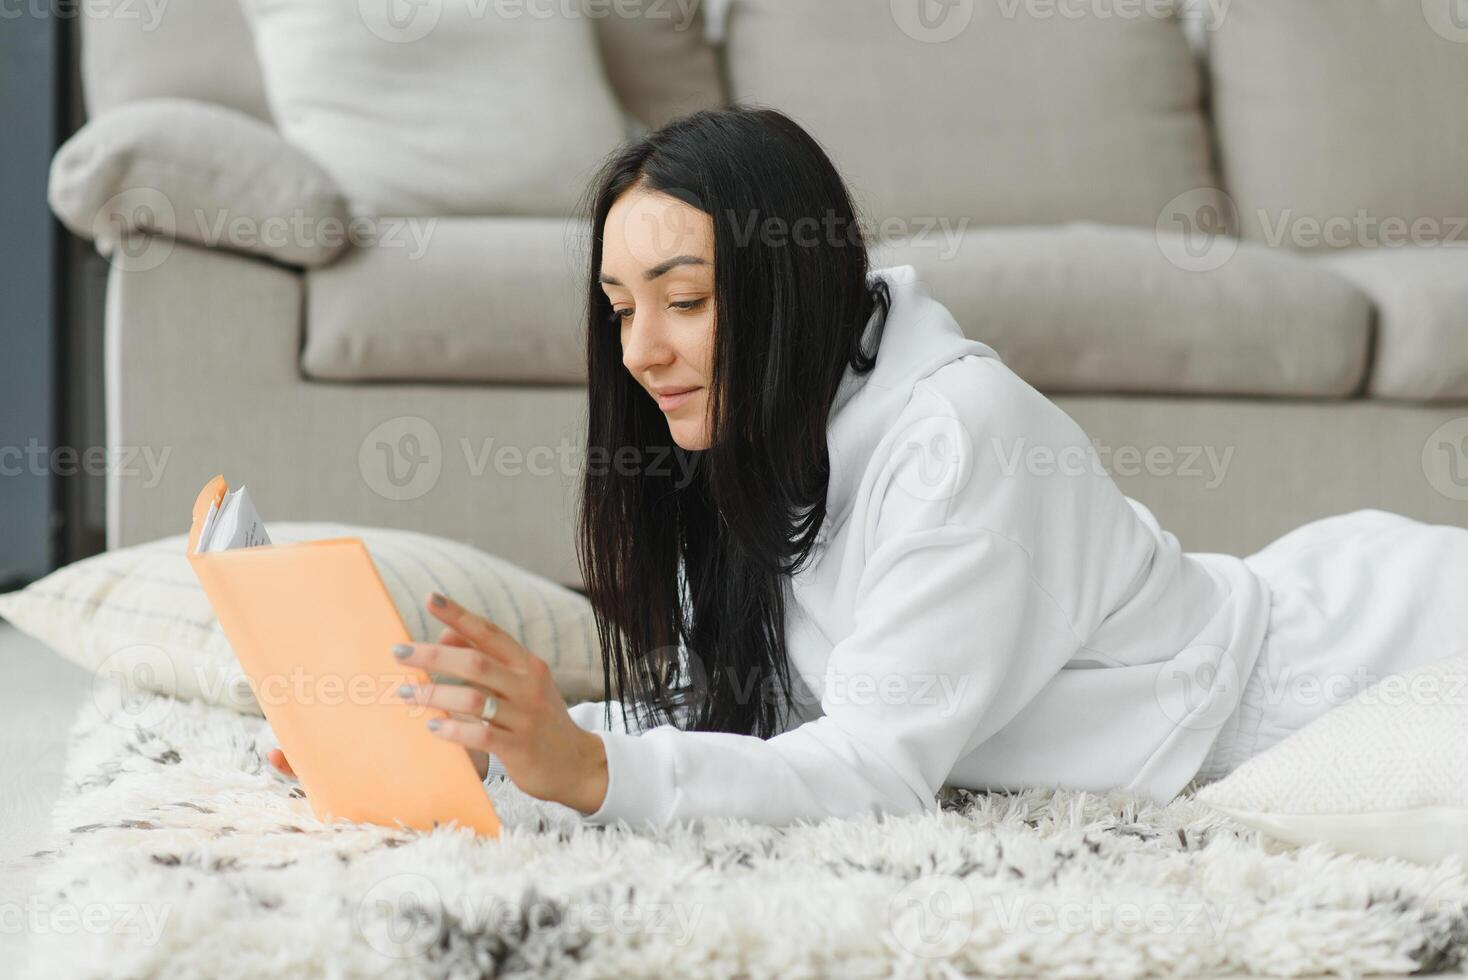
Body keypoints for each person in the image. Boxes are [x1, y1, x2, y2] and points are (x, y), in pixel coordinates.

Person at [271, 106, 1468, 831]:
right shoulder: (738, 436)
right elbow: (725, 715)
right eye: (619, 307)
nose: (641, 351)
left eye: (683, 300)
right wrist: (477, 743)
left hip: (1369, 662)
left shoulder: (961, 442)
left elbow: (867, 775)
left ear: (785, 287)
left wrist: (588, 769)